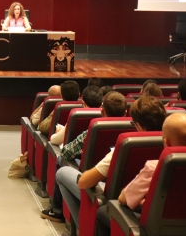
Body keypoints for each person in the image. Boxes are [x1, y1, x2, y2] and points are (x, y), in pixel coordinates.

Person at [53, 96, 166, 227]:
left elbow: (85, 182)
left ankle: (88, 227)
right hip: (152, 206)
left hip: (113, 201)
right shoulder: (173, 145)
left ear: (139, 125)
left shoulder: (126, 145)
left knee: (62, 172)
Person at [95, 113, 186, 236]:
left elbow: (123, 199)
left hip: (156, 230)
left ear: (166, 142)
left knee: (104, 211)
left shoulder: (155, 168)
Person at [41, 91, 127, 223]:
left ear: (102, 111)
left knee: (61, 161)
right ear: (126, 112)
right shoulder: (134, 133)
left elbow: (66, 153)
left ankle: (59, 212)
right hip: (124, 186)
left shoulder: (93, 131)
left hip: (96, 181)